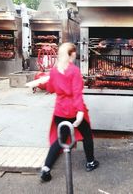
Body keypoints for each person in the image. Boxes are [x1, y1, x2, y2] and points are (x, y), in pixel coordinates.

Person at [40, 42, 99, 182]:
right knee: (87, 135)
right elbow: (77, 93)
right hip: (74, 109)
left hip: (60, 110)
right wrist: (79, 112)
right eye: (74, 53)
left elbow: (50, 89)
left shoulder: (54, 70)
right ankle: (90, 162)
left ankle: (46, 168)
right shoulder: (74, 70)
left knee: (59, 140)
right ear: (72, 54)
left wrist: (46, 81)